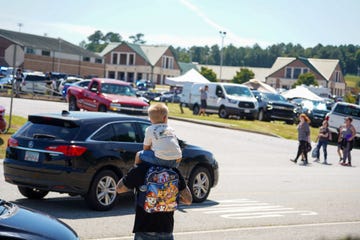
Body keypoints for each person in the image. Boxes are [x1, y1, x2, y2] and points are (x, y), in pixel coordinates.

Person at [116, 161, 192, 240]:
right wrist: (168, 198)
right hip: (166, 230)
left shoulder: (141, 169)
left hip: (144, 229)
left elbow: (119, 189)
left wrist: (134, 167)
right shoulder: (173, 171)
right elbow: (188, 200)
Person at [134, 103, 182, 168]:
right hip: (177, 159)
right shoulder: (170, 129)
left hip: (160, 159)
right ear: (165, 118)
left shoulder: (150, 129)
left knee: (139, 154)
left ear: (150, 119)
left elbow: (146, 148)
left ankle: (135, 171)